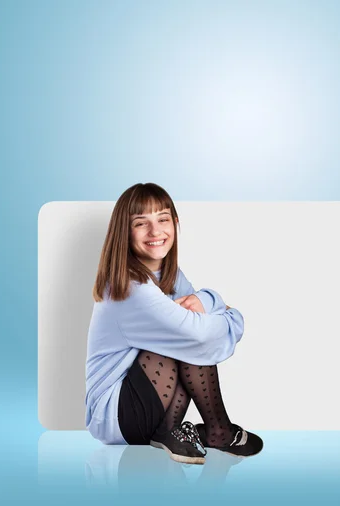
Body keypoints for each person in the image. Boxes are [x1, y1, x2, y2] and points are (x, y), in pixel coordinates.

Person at [85, 182, 263, 464]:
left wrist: (205, 300)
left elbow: (198, 318)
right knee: (186, 338)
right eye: (141, 223)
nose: (155, 232)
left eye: (163, 219)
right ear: (124, 232)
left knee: (183, 334)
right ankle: (219, 431)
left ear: (175, 223)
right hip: (115, 417)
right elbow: (199, 335)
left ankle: (173, 431)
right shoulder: (132, 288)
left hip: (144, 407)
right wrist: (227, 311)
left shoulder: (168, 273)